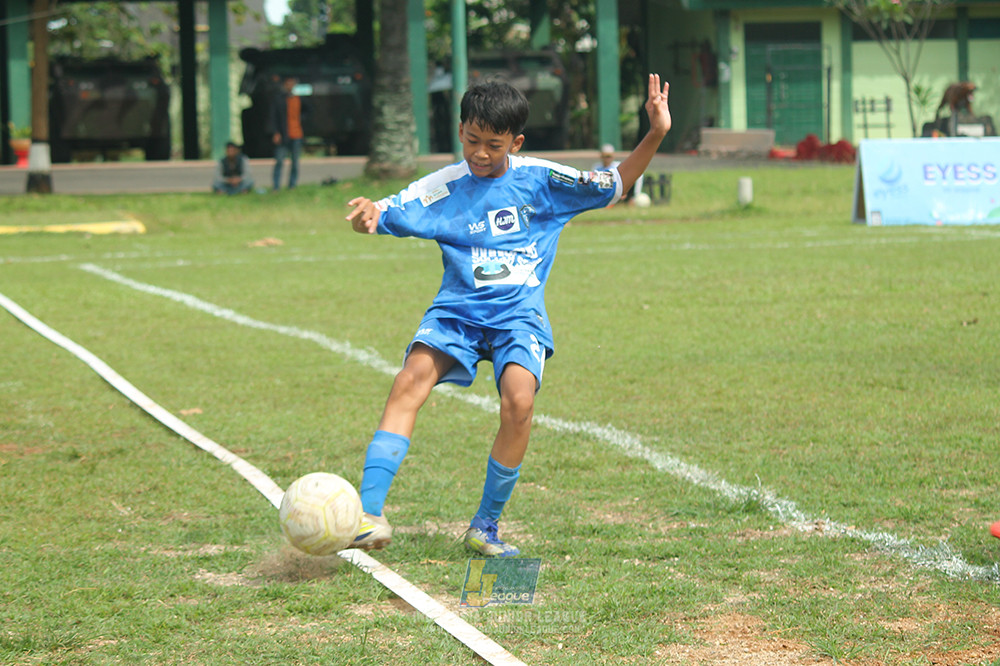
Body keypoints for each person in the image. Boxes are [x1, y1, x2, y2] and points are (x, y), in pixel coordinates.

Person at [344, 74, 671, 557]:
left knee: (519, 402)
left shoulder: (543, 181)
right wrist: (368, 214)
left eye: (493, 145)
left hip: (518, 316)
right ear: (460, 132)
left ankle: (485, 526)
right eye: (472, 141)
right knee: (408, 381)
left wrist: (656, 133)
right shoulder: (442, 188)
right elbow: (388, 210)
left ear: (515, 142)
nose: (479, 153)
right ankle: (367, 515)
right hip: (456, 312)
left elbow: (616, 182)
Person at [270, 76, 304, 191]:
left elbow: (308, 111)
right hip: (283, 134)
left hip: (297, 134)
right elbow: (273, 117)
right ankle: (276, 186)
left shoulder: (299, 99)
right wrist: (276, 132)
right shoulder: (279, 99)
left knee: (295, 162)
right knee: (279, 161)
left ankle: (292, 185)